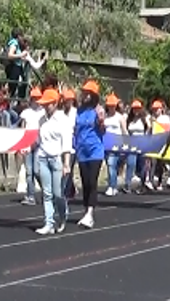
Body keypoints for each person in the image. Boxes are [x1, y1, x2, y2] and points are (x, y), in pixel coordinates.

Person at [33, 88, 70, 235]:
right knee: (47, 194)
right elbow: (38, 140)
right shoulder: (41, 120)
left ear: (55, 104)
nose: (45, 106)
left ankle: (62, 216)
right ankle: (48, 223)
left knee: (58, 194)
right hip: (43, 158)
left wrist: (66, 163)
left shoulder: (63, 120)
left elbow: (66, 143)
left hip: (57, 159)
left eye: (48, 103)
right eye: (44, 104)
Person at [73, 80, 104, 228]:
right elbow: (76, 130)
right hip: (82, 151)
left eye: (88, 93)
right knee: (85, 183)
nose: (84, 95)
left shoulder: (98, 111)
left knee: (92, 182)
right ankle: (86, 211)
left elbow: (103, 131)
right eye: (84, 92)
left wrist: (101, 121)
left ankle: (90, 213)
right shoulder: (79, 111)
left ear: (93, 95)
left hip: (95, 151)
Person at [18, 87, 46, 206]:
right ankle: (30, 195)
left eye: (38, 98)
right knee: (29, 171)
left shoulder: (43, 113)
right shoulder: (26, 113)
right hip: (28, 143)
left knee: (37, 170)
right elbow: (23, 128)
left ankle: (46, 191)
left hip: (39, 143)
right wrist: (22, 144)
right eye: (34, 98)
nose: (36, 101)